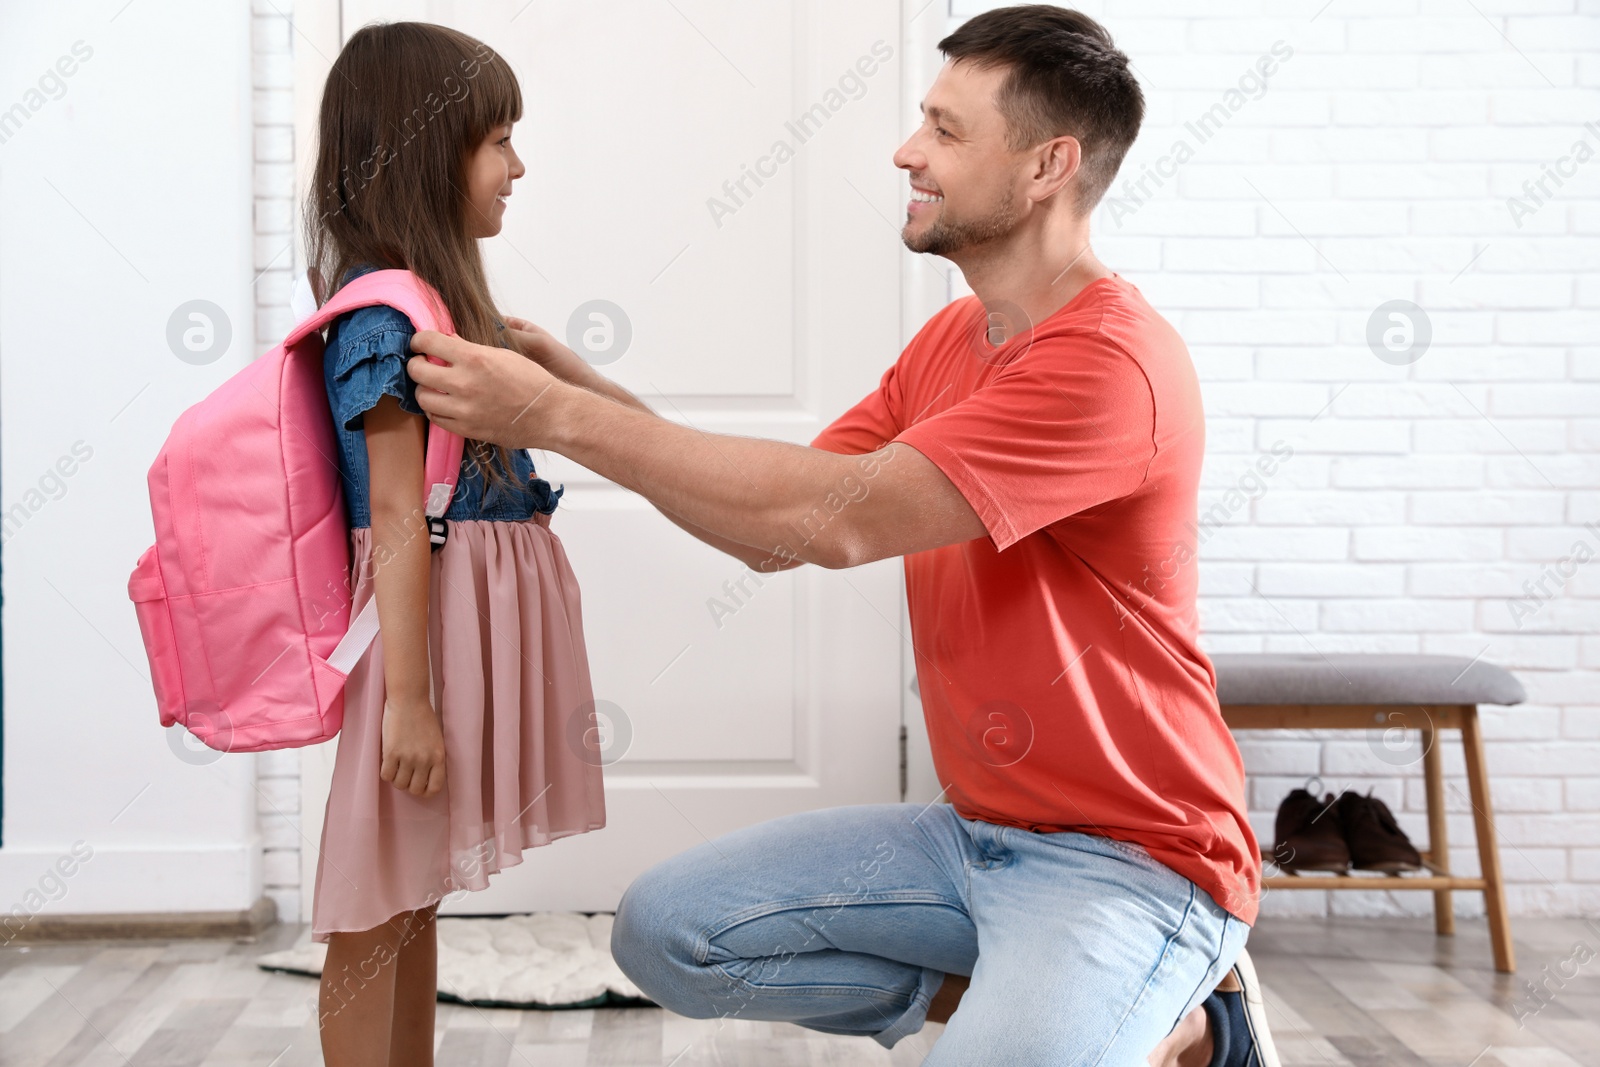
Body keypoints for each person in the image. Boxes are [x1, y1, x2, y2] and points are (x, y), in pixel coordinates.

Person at [407, 6, 1278, 1064]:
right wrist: (573, 390)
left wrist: (552, 416)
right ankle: (1115, 1016)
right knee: (668, 931)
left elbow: (836, 521)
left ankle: (1190, 1011)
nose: (907, 151)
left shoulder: (1107, 365)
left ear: (1049, 164)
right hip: (973, 837)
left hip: (1139, 860)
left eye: (947, 131)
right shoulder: (956, 338)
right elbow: (778, 520)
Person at [303, 23, 605, 1067]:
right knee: (372, 893)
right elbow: (396, 516)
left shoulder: (441, 311)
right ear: (427, 154)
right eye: (497, 141)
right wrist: (409, 700)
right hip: (417, 638)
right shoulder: (386, 323)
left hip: (447, 624)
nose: (517, 167)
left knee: (411, 888)